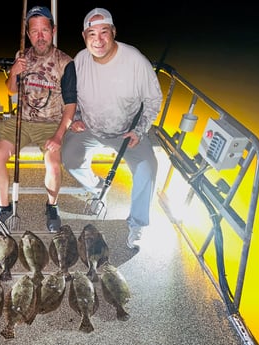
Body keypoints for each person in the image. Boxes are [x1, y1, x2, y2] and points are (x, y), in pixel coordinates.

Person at [61, 8, 163, 249]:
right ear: (84, 36)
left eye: (104, 32)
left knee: (147, 167)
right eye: (91, 33)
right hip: (91, 128)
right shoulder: (80, 60)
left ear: (114, 32)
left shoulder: (135, 60)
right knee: (69, 157)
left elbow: (153, 100)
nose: (98, 40)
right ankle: (96, 186)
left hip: (126, 133)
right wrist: (75, 118)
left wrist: (139, 130)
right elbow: (72, 96)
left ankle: (137, 224)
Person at [0, 5, 77, 234]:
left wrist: (58, 135)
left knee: (54, 165)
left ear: (53, 30)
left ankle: (52, 207)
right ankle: (4, 207)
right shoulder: (21, 55)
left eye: (44, 30)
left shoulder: (66, 63)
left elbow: (71, 105)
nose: (40, 36)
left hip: (51, 124)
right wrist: (14, 72)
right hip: (22, 122)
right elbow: (10, 91)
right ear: (28, 34)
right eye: (34, 31)